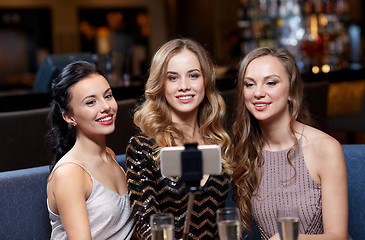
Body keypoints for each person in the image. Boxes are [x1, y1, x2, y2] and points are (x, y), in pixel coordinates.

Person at [231, 47, 352, 240]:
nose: (258, 93)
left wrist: (288, 238)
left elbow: (338, 237)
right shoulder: (246, 150)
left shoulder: (325, 148)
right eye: (249, 84)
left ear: (291, 92)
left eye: (271, 83)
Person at [125, 38, 232, 240]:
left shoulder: (219, 143)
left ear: (206, 80)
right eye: (173, 78)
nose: (184, 86)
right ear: (161, 84)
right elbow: (148, 226)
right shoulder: (142, 147)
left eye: (193, 75)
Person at [46, 61, 134, 240]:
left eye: (108, 96)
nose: (105, 107)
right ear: (69, 117)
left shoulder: (109, 155)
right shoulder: (69, 173)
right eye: (91, 102)